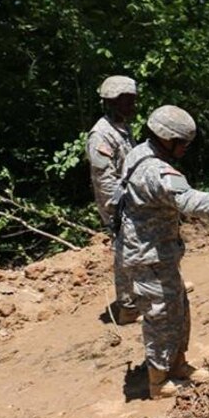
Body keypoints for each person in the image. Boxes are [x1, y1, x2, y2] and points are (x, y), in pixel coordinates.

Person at [114, 105, 209, 399]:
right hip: (148, 256)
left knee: (177, 309)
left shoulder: (139, 152)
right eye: (183, 143)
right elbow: (189, 201)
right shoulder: (156, 170)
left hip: (157, 253)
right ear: (167, 138)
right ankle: (159, 382)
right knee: (160, 317)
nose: (185, 150)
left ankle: (177, 364)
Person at [87, 75, 139, 325]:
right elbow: (105, 182)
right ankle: (127, 307)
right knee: (125, 250)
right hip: (118, 204)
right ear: (113, 102)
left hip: (132, 199)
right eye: (128, 101)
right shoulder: (101, 135)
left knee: (139, 247)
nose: (133, 106)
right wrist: (121, 209)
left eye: (133, 100)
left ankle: (144, 295)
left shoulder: (123, 128)